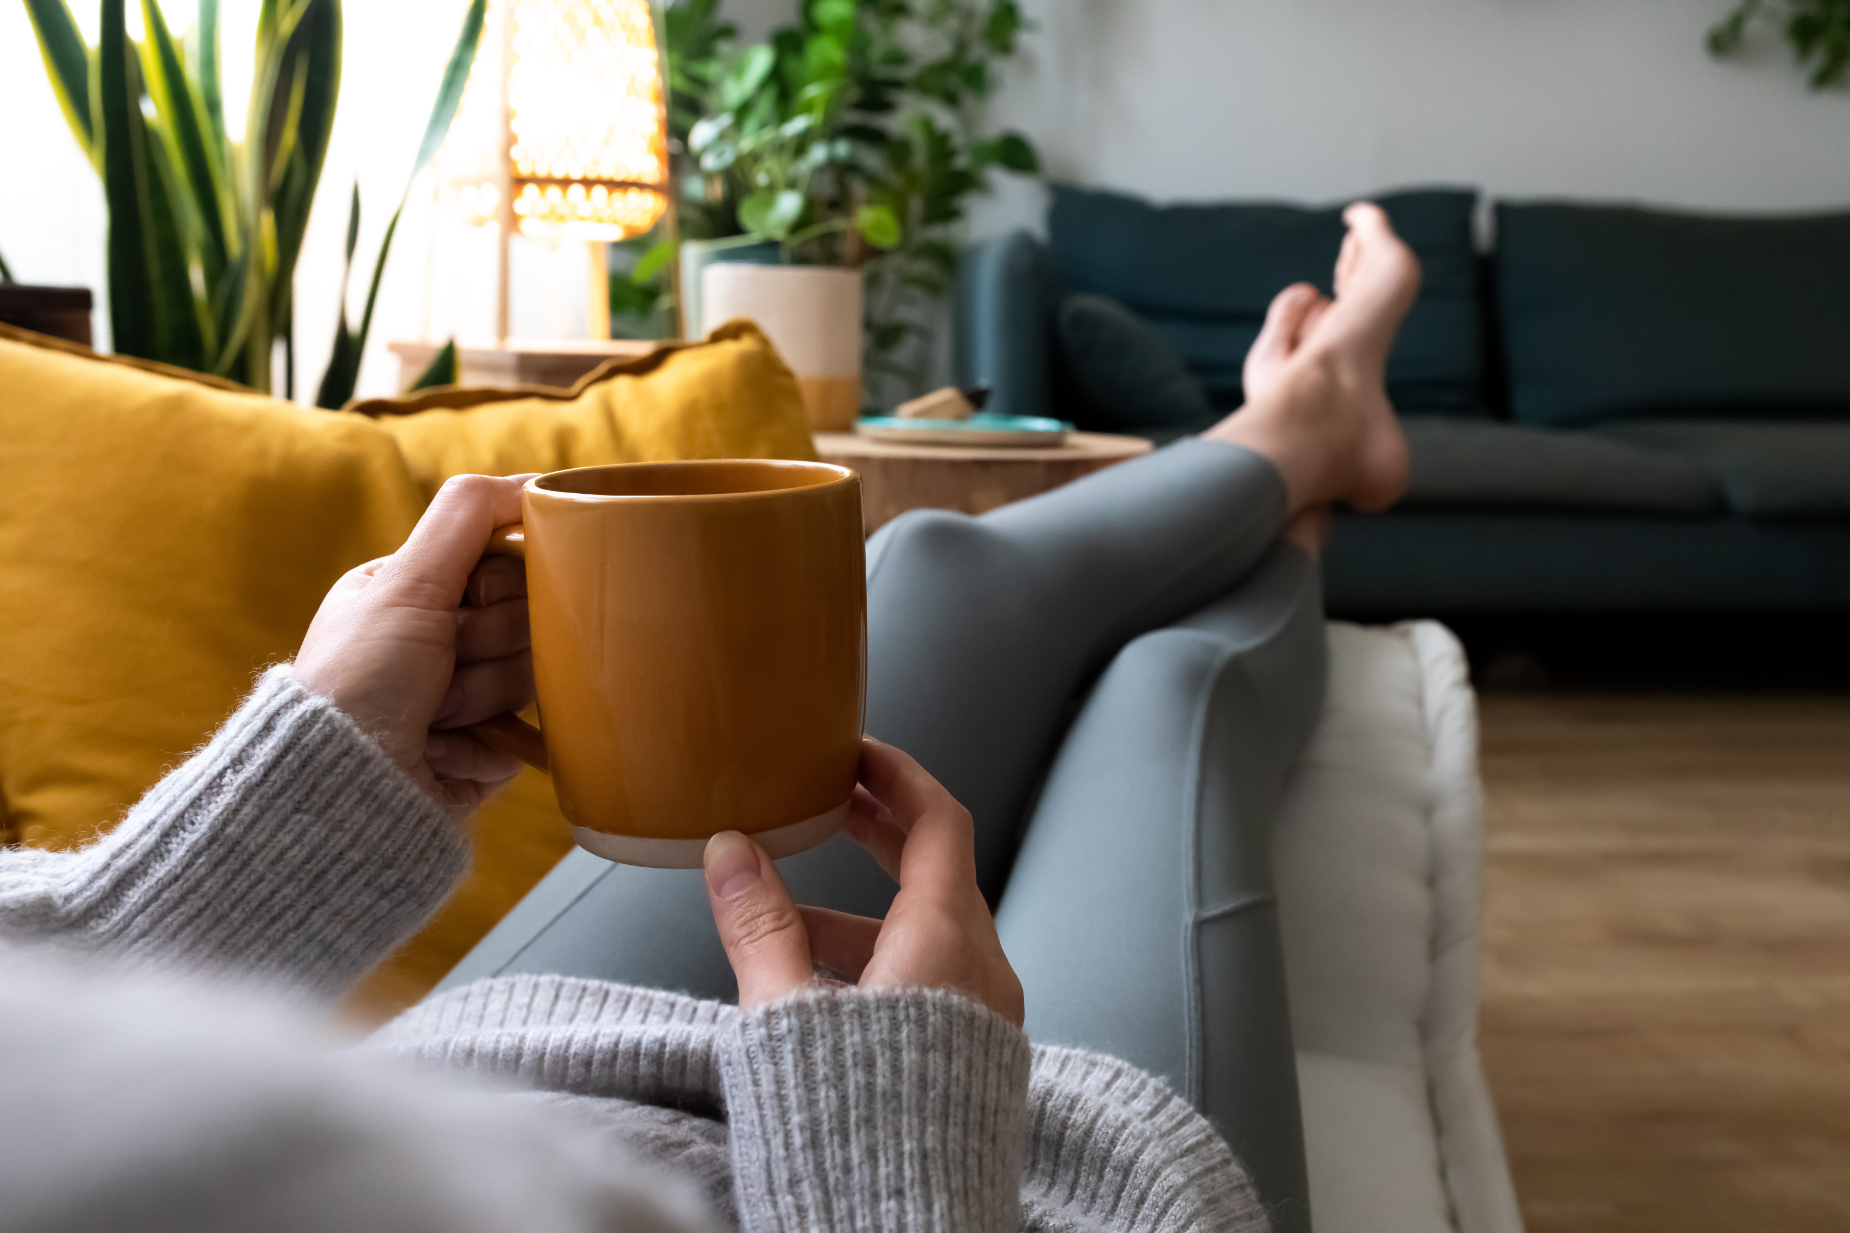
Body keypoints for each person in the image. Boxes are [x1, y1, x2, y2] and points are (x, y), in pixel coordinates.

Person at [0, 205, 1418, 1233]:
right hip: (922, 1183)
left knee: (923, 564)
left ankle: (1295, 435)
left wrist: (287, 810)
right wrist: (893, 1156)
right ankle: (1300, 478)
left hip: (493, 1078)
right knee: (1167, 680)